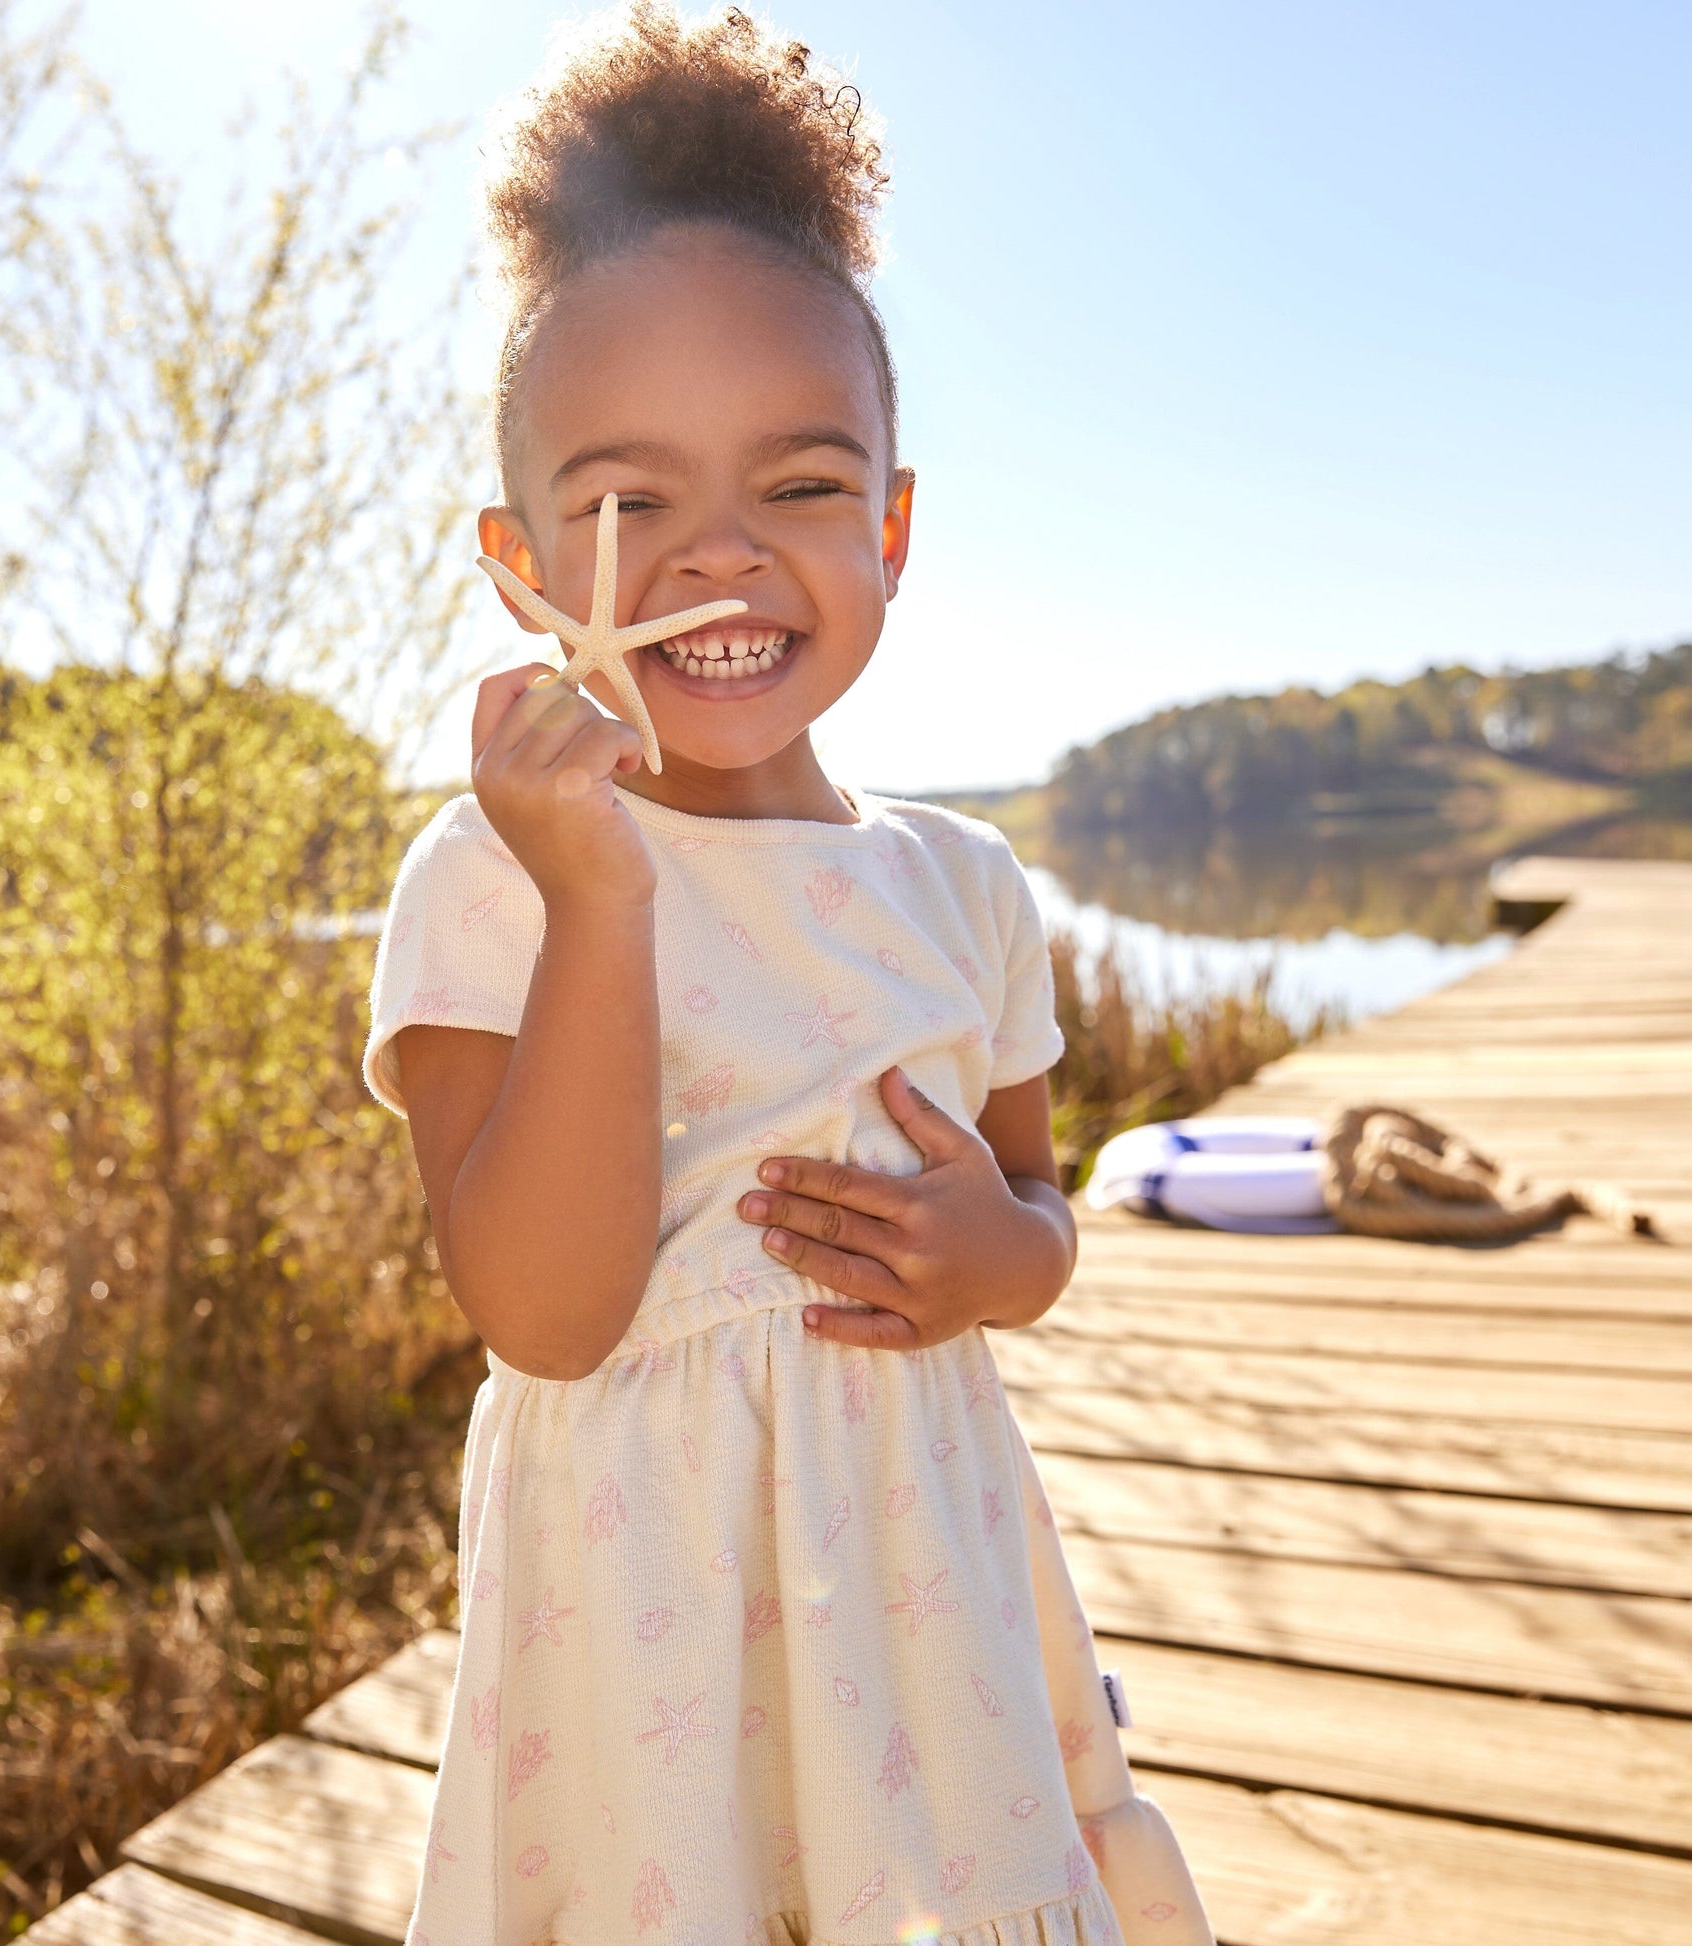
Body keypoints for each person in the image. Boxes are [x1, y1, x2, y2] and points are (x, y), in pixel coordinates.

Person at [363, 7, 1213, 1941]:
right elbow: (544, 1317)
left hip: (925, 1600)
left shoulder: (961, 885)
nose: (716, 558)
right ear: (520, 563)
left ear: (892, 525)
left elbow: (1037, 1208)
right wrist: (598, 896)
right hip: (642, 1639)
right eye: (626, 504)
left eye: (800, 487)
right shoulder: (491, 880)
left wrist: (998, 1259)